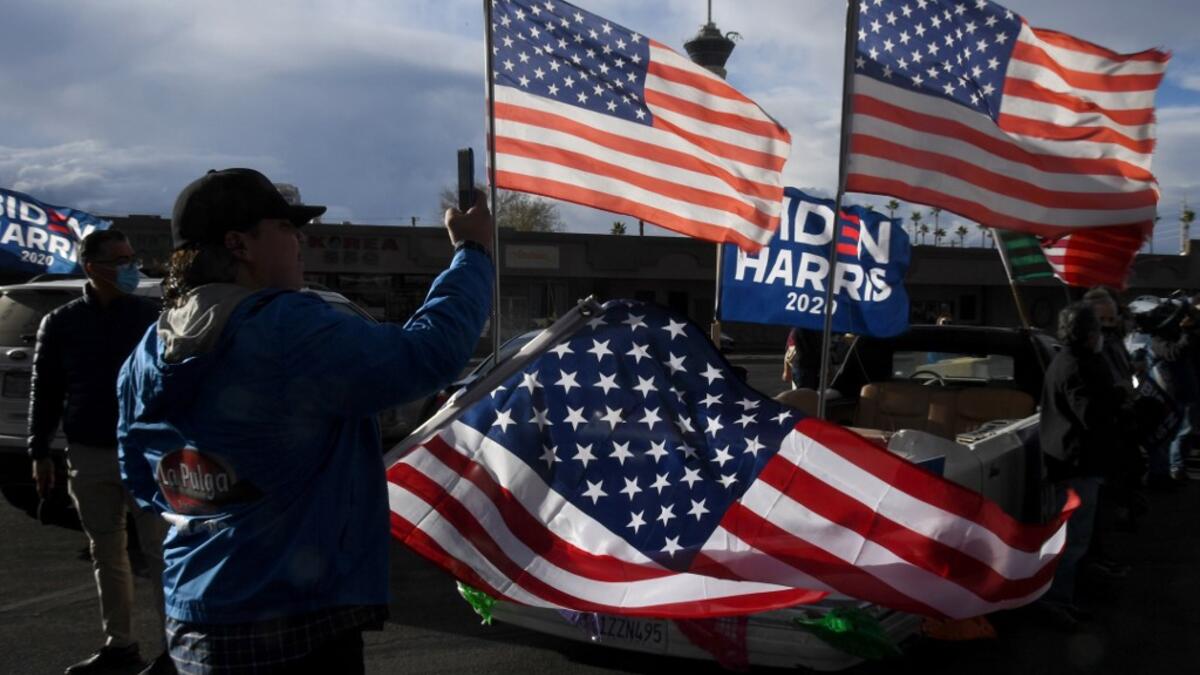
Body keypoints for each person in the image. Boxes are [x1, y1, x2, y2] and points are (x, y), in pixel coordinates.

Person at [116, 168, 494, 673]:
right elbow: (427, 355)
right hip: (295, 619)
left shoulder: (147, 350)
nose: (301, 240)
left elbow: (143, 480)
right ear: (239, 244)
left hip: (195, 615)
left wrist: (215, 503)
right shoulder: (283, 328)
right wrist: (473, 253)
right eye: (285, 228)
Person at [27, 229, 170, 674]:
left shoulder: (152, 317)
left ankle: (176, 651)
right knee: (106, 553)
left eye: (133, 258)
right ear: (92, 267)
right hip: (88, 453)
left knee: (162, 554)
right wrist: (39, 450)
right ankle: (120, 646)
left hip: (146, 454)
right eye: (121, 260)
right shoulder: (63, 322)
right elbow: (46, 389)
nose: (132, 268)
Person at [1038, 302, 1126, 626]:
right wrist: (1115, 398)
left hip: (1069, 463)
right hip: (1076, 466)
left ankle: (1062, 596)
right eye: (1098, 330)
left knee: (1070, 539)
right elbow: (1091, 414)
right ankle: (1056, 600)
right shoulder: (1076, 366)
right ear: (1090, 335)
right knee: (1071, 541)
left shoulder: (1065, 361)